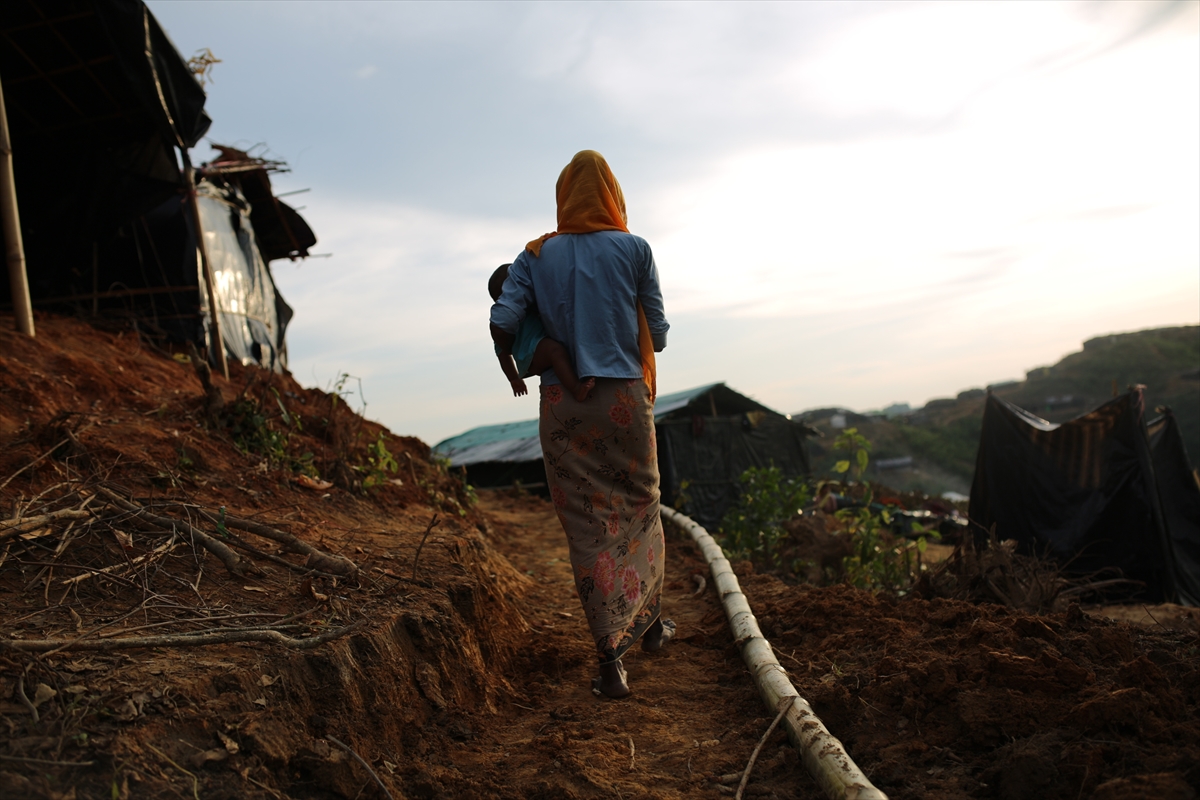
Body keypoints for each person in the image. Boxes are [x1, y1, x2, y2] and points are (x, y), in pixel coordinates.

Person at [489, 150, 674, 698]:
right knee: (641, 508)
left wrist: (533, 347)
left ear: (563, 197)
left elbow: (504, 320)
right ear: (612, 195)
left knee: (588, 526)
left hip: (563, 404)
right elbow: (658, 332)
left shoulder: (535, 254)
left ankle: (609, 659)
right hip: (624, 397)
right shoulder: (635, 249)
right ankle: (654, 626)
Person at [488, 263, 596, 402]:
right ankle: (576, 389)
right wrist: (514, 379)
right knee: (555, 351)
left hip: (534, 353)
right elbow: (502, 354)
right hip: (530, 355)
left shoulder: (528, 308)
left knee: (557, 351)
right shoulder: (504, 321)